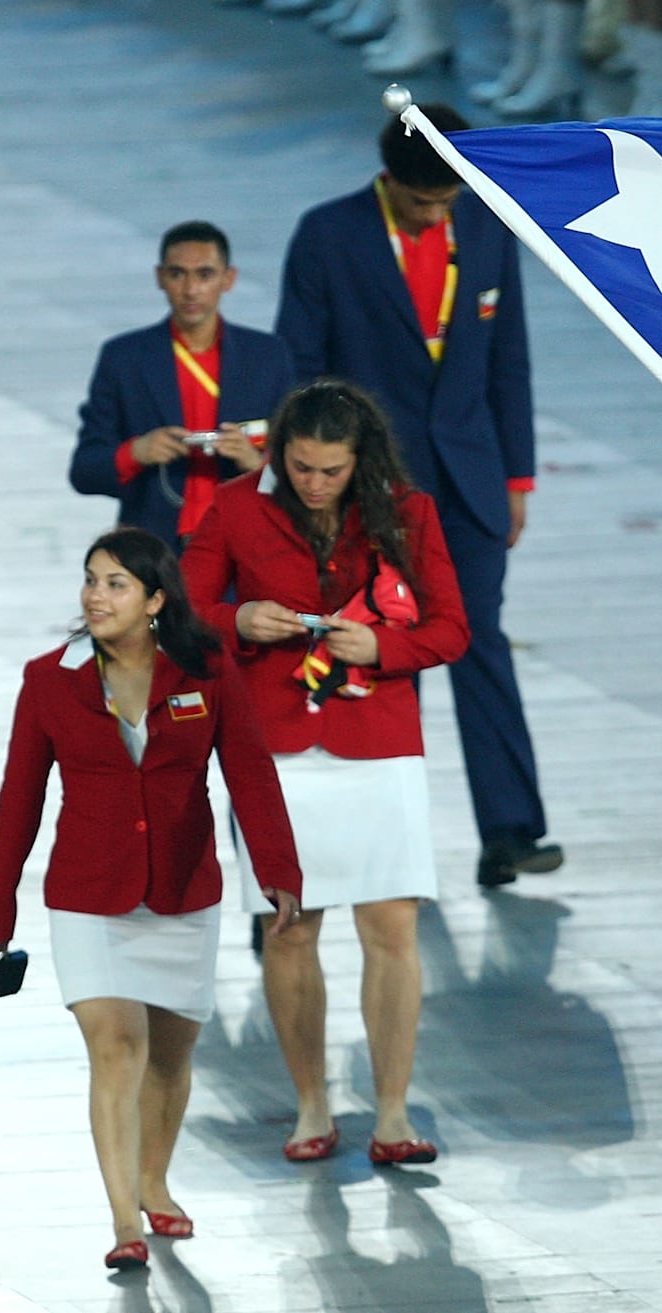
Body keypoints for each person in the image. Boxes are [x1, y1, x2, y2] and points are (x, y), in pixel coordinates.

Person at [0, 528, 303, 1272]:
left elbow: (250, 773)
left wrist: (280, 869)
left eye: (116, 582)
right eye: (91, 579)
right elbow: (18, 800)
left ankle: (155, 1176)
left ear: (157, 599)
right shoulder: (48, 679)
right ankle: (124, 1214)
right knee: (117, 1047)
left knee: (170, 1057)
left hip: (186, 891)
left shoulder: (206, 669)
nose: (96, 594)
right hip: (89, 895)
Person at [182, 380, 469, 1165]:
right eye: (301, 466)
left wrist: (384, 650)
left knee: (393, 927)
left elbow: (451, 626)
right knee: (289, 927)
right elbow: (182, 607)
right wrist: (237, 619)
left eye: (330, 470)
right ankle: (311, 1104)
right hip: (273, 749)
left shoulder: (407, 512)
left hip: (377, 741)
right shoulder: (238, 507)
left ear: (359, 460)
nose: (313, 482)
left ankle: (393, 1112)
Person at [277, 105, 560, 888]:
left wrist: (516, 478)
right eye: (424, 201)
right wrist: (313, 486)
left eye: (449, 199)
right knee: (371, 658)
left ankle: (512, 829)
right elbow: (298, 367)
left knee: (478, 642)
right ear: (389, 179)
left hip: (469, 485)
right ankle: (376, 840)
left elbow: (511, 360)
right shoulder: (330, 237)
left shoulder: (490, 232)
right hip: (369, 489)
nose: (439, 212)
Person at [68, 221, 292, 545]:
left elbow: (305, 472)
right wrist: (136, 452)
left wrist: (255, 466)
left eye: (204, 275)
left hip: (245, 546)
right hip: (154, 551)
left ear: (228, 279)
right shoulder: (124, 358)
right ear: (160, 278)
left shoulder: (267, 357)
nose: (190, 290)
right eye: (177, 274)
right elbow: (84, 471)